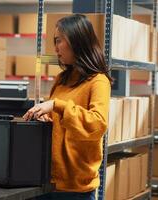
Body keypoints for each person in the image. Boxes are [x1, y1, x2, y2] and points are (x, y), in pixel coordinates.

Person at [23, 14, 112, 200]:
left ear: (76, 41)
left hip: (76, 189)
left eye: (58, 41)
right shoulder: (61, 80)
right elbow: (60, 120)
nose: (55, 48)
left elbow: (97, 124)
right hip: (49, 181)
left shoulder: (98, 81)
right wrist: (46, 118)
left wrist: (57, 105)